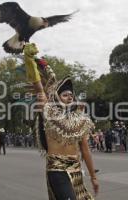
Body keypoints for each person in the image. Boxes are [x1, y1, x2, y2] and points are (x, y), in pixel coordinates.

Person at [24, 43, 98, 200]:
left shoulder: (79, 121)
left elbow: (85, 150)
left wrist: (93, 177)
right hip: (57, 170)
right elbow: (39, 88)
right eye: (65, 94)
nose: (69, 96)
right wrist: (30, 61)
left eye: (71, 95)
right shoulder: (49, 113)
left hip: (76, 170)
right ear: (56, 98)